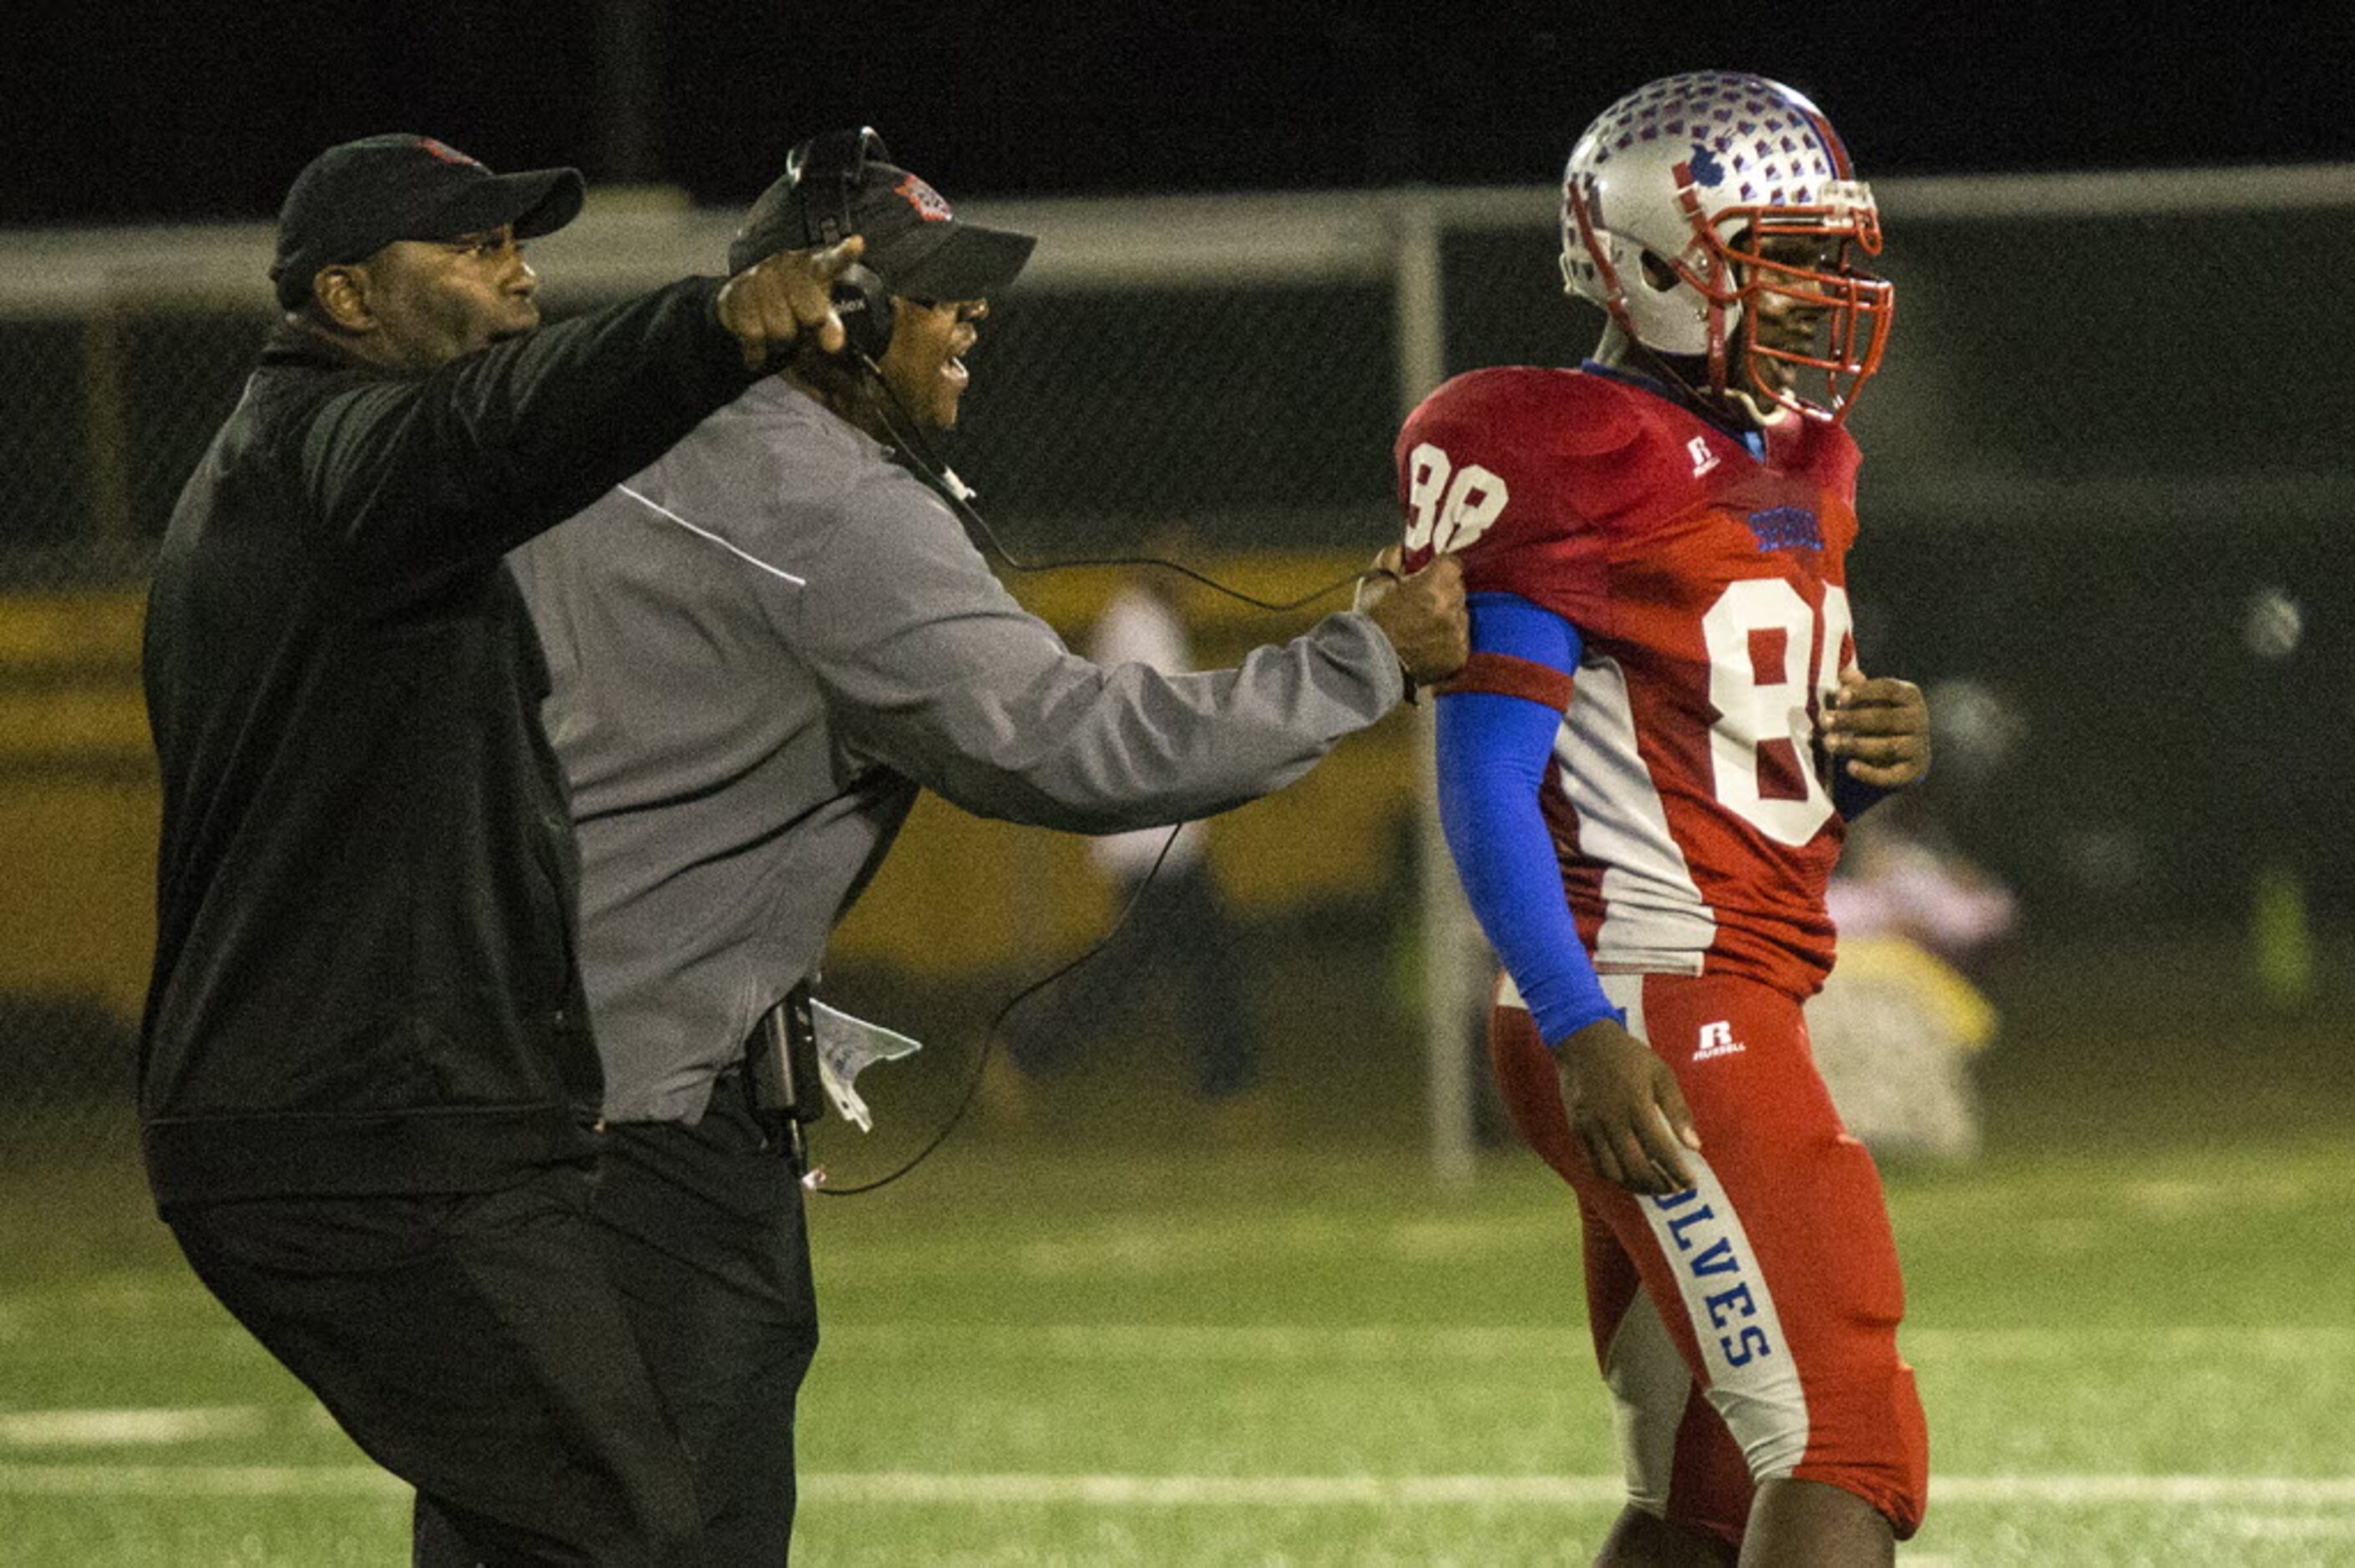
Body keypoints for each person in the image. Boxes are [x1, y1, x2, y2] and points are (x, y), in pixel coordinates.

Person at [501, 127, 1467, 1561]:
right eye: (934, 288)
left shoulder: (602, 442)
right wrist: (1361, 662)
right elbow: (1070, 745)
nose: (970, 317)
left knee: (512, 1520)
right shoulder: (828, 501)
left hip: (500, 1101)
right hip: (651, 1138)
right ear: (835, 306)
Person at [138, 130, 866, 1565]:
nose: (517, 279)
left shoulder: (318, 486)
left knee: (541, 1529)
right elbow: (494, 432)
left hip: (390, 1116)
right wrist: (704, 328)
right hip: (366, 1134)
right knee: (625, 1535)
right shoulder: (332, 460)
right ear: (346, 299)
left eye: (517, 245)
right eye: (472, 252)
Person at [1396, 73, 1934, 1565]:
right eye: (1782, 252)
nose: (1824, 291)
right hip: (1652, 1002)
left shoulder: (1790, 458)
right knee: (1843, 1445)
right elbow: (1487, 771)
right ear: (1647, 262)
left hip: (1692, 986)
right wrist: (1580, 1022)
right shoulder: (1575, 445)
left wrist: (1869, 755)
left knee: (1699, 1491)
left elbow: (1732, 746)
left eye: (1830, 252)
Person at [1000, 550, 1268, 1110]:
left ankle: (1226, 1083)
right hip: (1149, 831)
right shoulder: (1134, 622)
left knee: (1170, 959)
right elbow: (1168, 713)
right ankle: (1228, 1086)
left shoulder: (1147, 619)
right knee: (1173, 961)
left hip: (1161, 826)